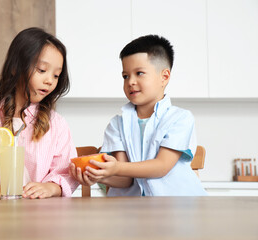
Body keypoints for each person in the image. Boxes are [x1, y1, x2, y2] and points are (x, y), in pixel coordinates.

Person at [70, 35, 207, 196]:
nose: (130, 82)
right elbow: (125, 180)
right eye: (125, 76)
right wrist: (100, 177)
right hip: (133, 212)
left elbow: (162, 166)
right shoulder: (116, 124)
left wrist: (117, 168)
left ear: (164, 77)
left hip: (175, 209)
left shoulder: (180, 118)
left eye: (139, 73)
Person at [0, 27, 79, 200]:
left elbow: (66, 172)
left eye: (56, 75)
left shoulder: (57, 124)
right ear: (15, 68)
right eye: (42, 70)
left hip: (41, 217)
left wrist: (51, 188)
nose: (49, 80)